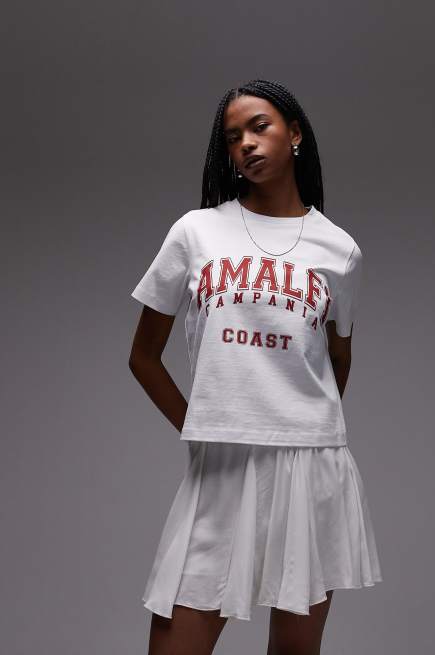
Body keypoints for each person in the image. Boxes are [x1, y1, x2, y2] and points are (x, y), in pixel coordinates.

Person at [129, 78, 383, 655]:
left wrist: (300, 421)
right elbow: (142, 357)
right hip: (222, 465)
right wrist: (204, 425)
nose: (244, 143)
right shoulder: (195, 232)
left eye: (258, 126)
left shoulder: (340, 250)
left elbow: (339, 357)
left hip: (312, 468)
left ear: (295, 134)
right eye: (232, 136)